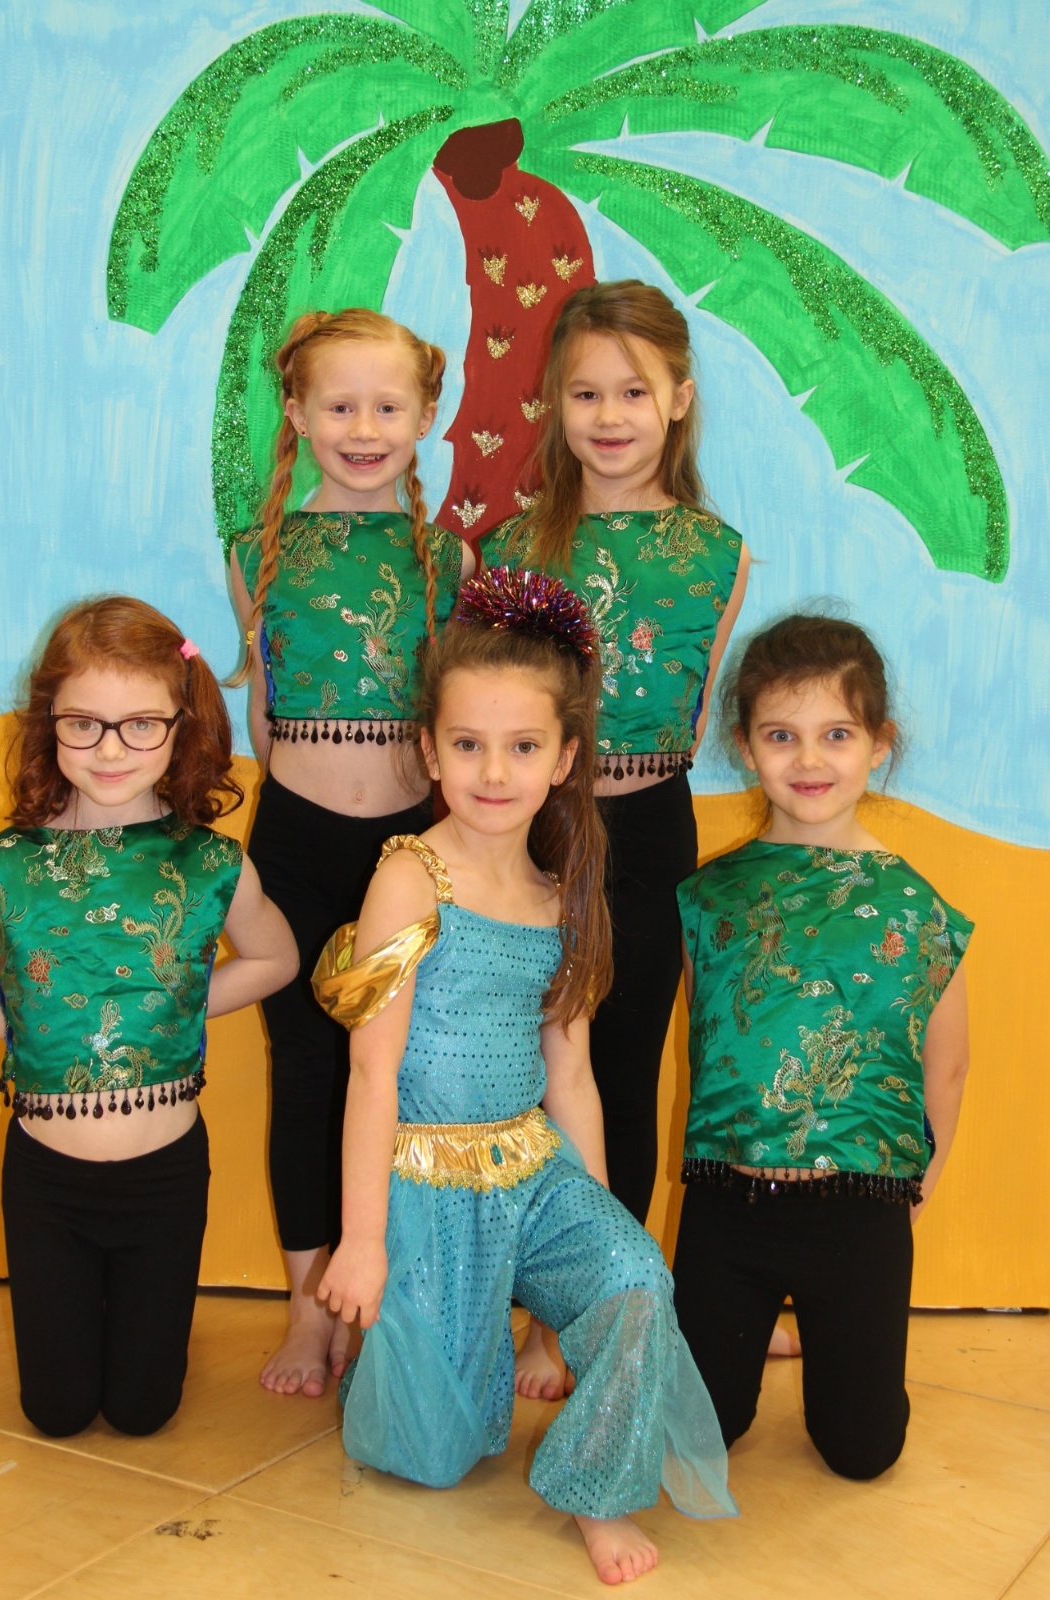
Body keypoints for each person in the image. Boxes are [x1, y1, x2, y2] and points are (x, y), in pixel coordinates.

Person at [311, 568, 735, 1585]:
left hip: (530, 1166)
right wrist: (362, 1241)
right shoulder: (410, 874)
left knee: (636, 1278)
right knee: (430, 1456)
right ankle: (395, 1345)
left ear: (565, 757)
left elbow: (572, 1075)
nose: (494, 772)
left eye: (523, 747)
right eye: (467, 745)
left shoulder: (560, 894)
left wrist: (595, 1235)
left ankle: (596, 1488)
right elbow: (371, 1073)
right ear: (430, 751)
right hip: (426, 1180)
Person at [0, 597, 297, 1437]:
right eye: (84, 724)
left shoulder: (210, 862)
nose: (111, 750)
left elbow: (276, 960)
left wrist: (172, 1009)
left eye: (140, 725)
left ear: (181, 727)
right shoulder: (5, 867)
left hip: (166, 1179)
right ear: (49, 720)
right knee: (55, 1413)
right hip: (46, 1182)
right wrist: (38, 1022)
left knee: (142, 1411)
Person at [484, 279, 750, 1396]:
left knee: (621, 1073)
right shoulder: (512, 546)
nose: (608, 415)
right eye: (584, 392)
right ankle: (512, 1307)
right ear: (554, 402)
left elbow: (689, 710)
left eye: (633, 392)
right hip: (532, 829)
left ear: (678, 399)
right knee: (519, 1074)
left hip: (648, 831)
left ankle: (593, 1314)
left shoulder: (718, 551)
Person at [230, 307, 473, 1398]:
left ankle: (382, 1295)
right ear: (296, 412)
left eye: (387, 407)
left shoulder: (448, 558)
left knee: (403, 1073)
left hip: (410, 849)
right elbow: (265, 715)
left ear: (425, 417)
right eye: (339, 406)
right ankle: (307, 1305)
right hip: (296, 837)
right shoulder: (258, 551)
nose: (363, 429)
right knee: (308, 1069)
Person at [671, 613, 973, 1479]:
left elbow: (946, 1064)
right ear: (744, 746)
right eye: (781, 735)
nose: (808, 760)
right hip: (727, 1205)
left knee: (861, 1451)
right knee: (703, 1432)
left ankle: (840, 1357)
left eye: (836, 734)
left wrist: (919, 1185)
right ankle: (751, 1331)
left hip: (857, 1210)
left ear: (878, 744)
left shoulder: (915, 905)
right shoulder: (707, 897)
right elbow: (710, 1042)